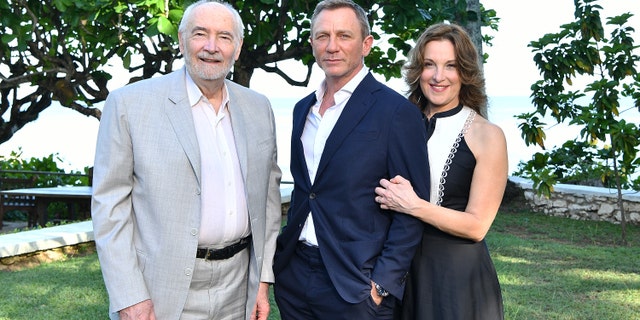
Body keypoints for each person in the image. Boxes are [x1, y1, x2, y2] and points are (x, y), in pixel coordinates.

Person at [91, 1, 282, 319]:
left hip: (238, 287)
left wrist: (262, 281)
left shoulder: (259, 107)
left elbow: (269, 202)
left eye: (224, 36)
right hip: (160, 289)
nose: (211, 47)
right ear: (181, 41)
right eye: (200, 34)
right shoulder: (129, 104)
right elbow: (110, 208)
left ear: (237, 47)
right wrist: (129, 297)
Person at [272, 0, 430, 319]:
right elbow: (309, 190)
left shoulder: (397, 113)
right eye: (322, 36)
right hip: (295, 275)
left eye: (344, 35)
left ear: (366, 44)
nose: (332, 46)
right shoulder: (303, 109)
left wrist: (380, 286)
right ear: (313, 43)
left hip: (356, 287)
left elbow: (412, 209)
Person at [374, 23, 508, 319]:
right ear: (417, 70)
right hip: (395, 272)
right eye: (429, 65)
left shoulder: (487, 135)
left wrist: (414, 206)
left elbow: (477, 226)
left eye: (450, 66)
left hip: (455, 279)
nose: (438, 76)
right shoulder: (395, 121)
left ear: (465, 72)